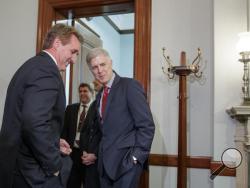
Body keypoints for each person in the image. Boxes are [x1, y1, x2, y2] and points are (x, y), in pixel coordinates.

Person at [0, 23, 84, 188]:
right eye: (73, 52)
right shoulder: (46, 70)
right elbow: (33, 122)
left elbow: (30, 119)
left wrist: (54, 140)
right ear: (57, 43)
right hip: (32, 172)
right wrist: (54, 165)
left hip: (17, 165)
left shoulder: (32, 65)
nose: (74, 60)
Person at [85, 48, 155, 188]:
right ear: (91, 71)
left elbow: (147, 126)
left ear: (111, 63)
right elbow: (104, 132)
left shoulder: (129, 86)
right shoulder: (99, 96)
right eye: (95, 67)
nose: (100, 70)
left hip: (127, 165)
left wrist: (136, 158)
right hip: (104, 167)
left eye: (103, 64)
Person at [61, 83, 93, 188]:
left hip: (87, 154)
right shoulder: (70, 109)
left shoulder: (96, 110)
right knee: (72, 183)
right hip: (72, 153)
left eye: (85, 91)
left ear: (91, 93)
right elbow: (64, 130)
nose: (82, 93)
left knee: (88, 182)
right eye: (80, 91)